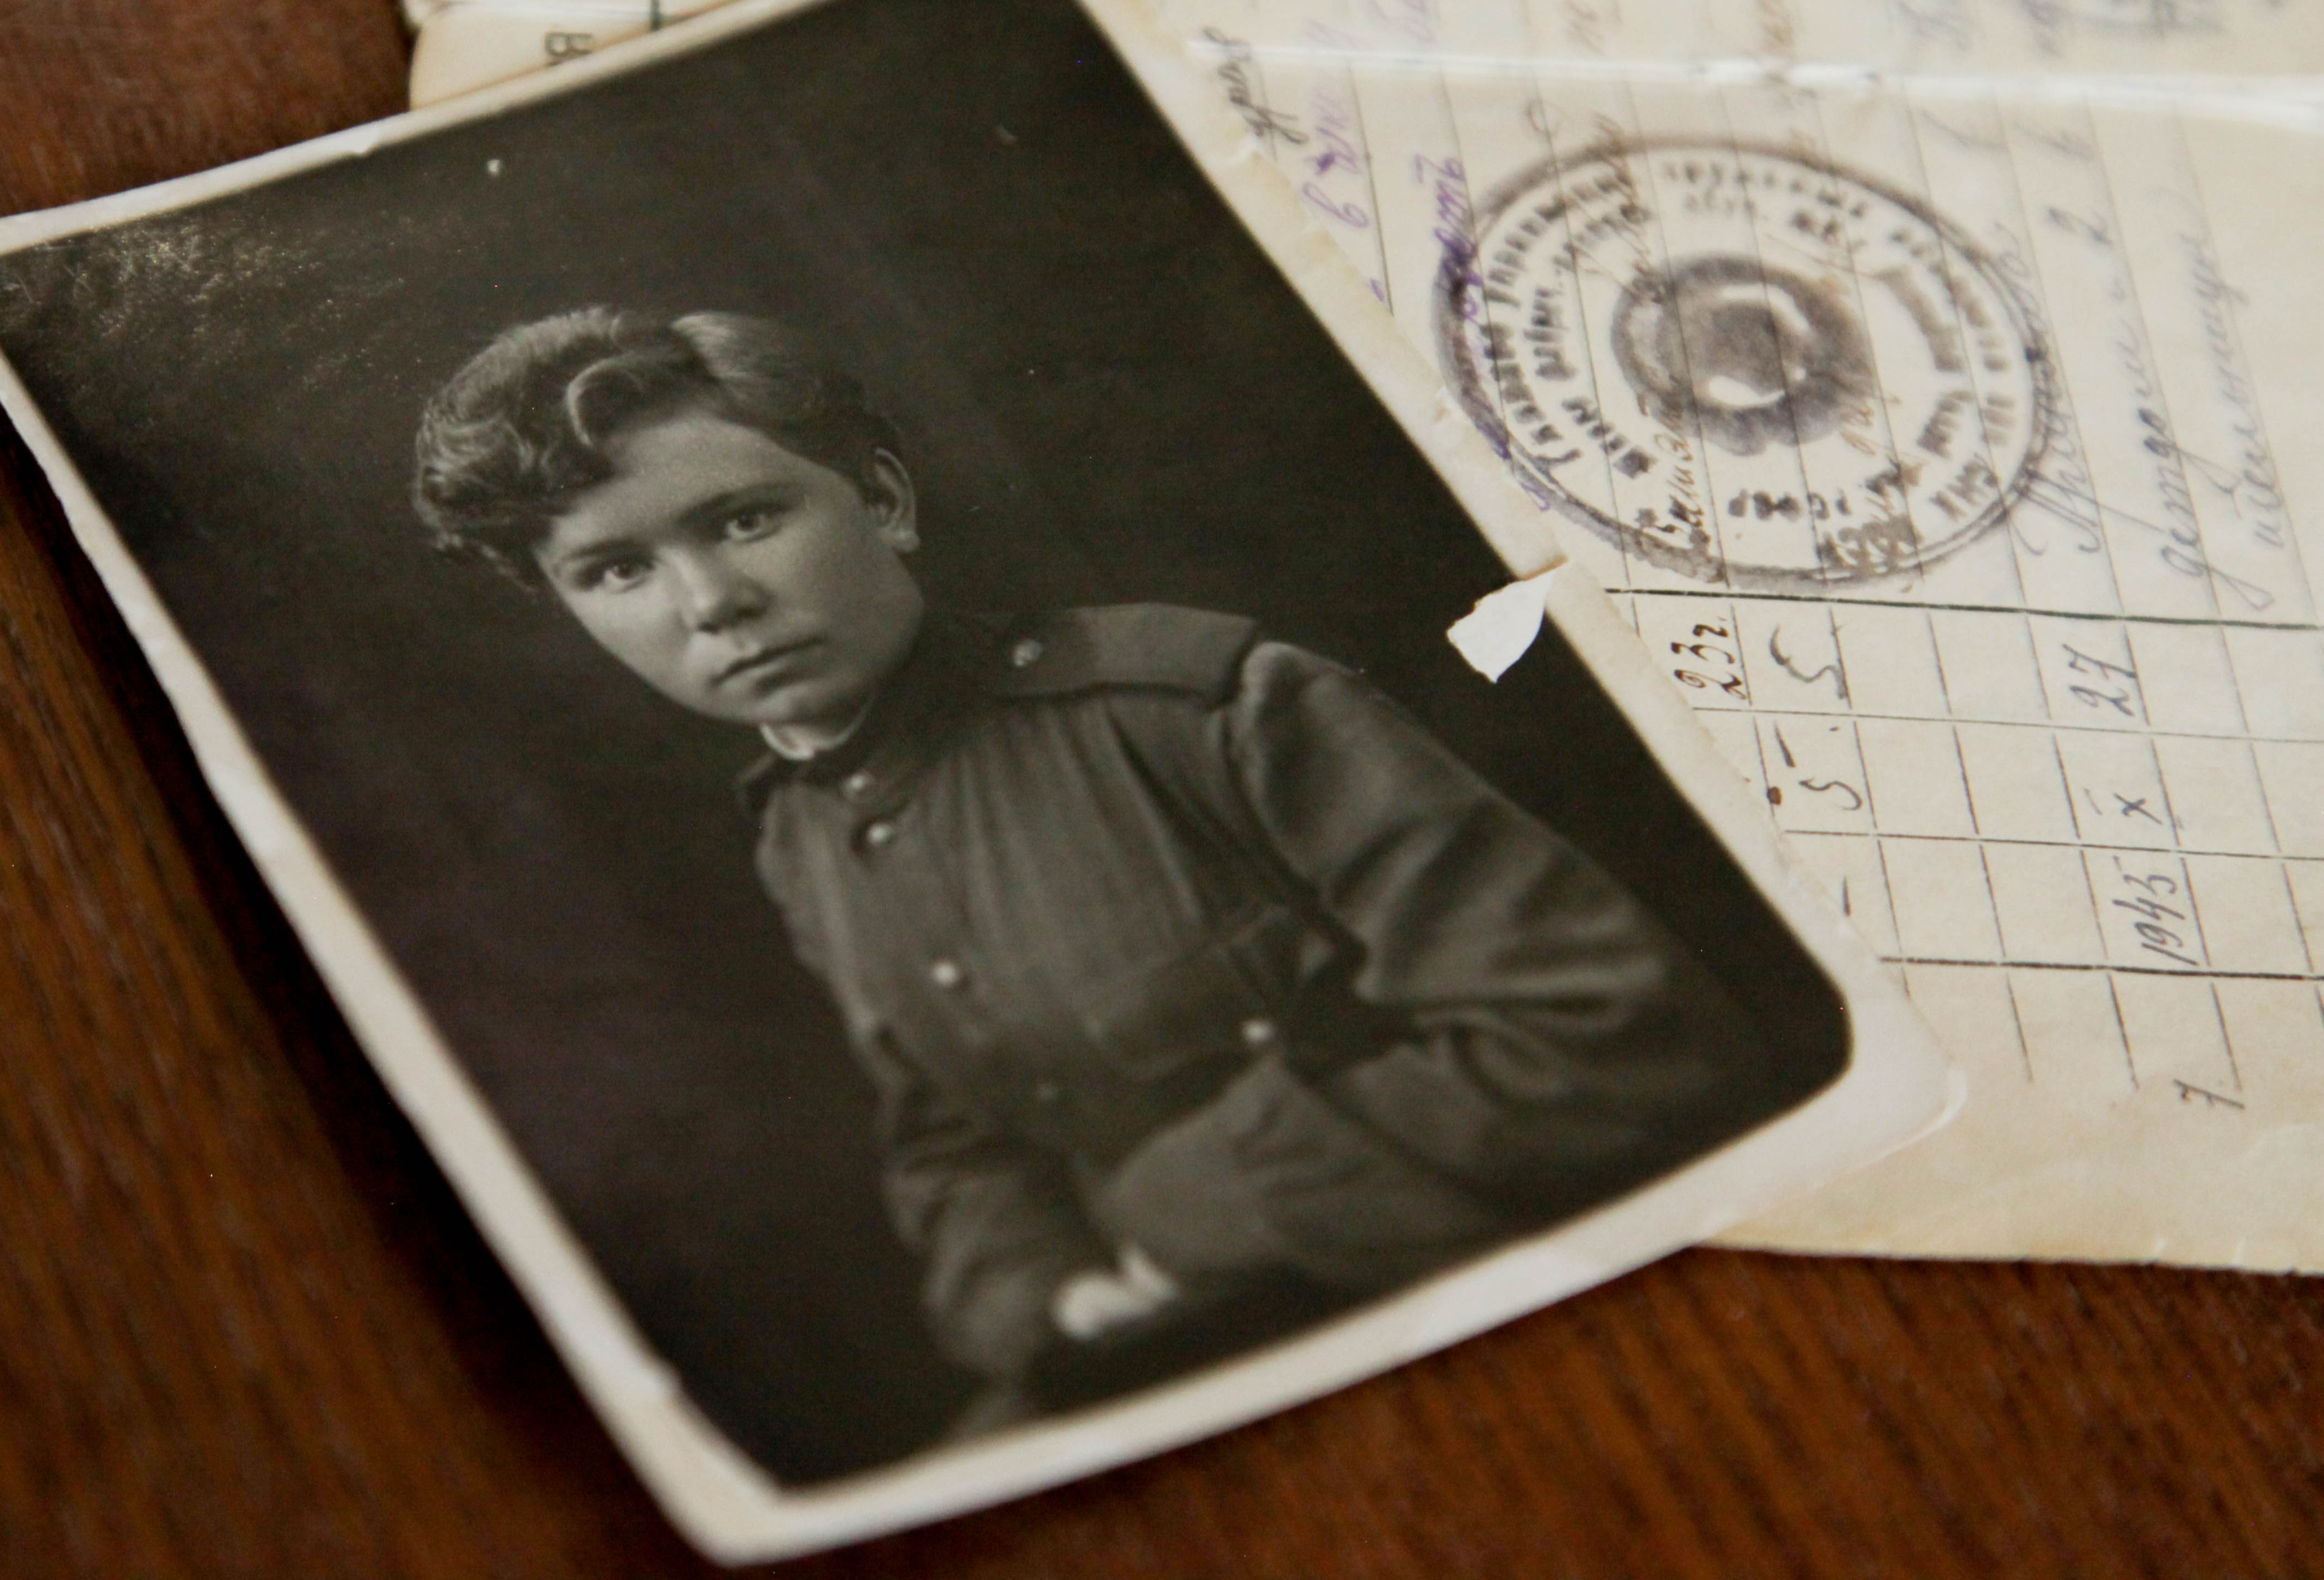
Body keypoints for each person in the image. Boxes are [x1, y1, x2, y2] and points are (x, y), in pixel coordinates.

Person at [412, 307, 1776, 1426]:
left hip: (1498, 1301)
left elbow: (1615, 1034)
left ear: (882, 498)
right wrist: (1047, 1300)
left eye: (745, 520)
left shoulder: (1203, 705)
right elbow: (949, 1144)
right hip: (1159, 1354)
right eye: (617, 572)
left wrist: (1193, 1205)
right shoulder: (797, 832)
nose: (711, 605)